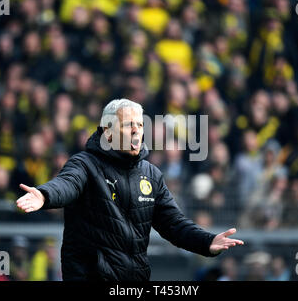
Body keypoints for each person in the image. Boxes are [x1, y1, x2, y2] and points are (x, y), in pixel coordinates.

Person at [16, 98, 244, 281]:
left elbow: (173, 224)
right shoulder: (84, 164)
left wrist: (206, 242)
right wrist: (44, 195)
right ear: (108, 132)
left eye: (140, 125)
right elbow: (67, 184)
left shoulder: (151, 174)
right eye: (128, 125)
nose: (136, 131)